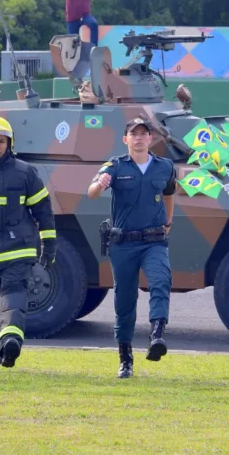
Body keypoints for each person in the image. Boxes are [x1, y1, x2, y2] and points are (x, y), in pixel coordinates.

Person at [86, 117, 175, 379]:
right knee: (125, 301)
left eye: (143, 133)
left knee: (161, 280)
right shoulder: (115, 165)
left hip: (154, 240)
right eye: (133, 134)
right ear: (125, 139)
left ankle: (157, 334)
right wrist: (99, 184)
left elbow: (170, 193)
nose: (138, 137)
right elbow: (91, 192)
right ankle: (125, 358)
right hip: (123, 243)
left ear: (151, 139)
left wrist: (168, 221)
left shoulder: (164, 167)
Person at [0, 115, 56, 371]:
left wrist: (49, 244)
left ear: (10, 143)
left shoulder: (25, 172)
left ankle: (11, 340)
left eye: (1, 141)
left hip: (18, 248)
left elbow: (43, 210)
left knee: (13, 293)